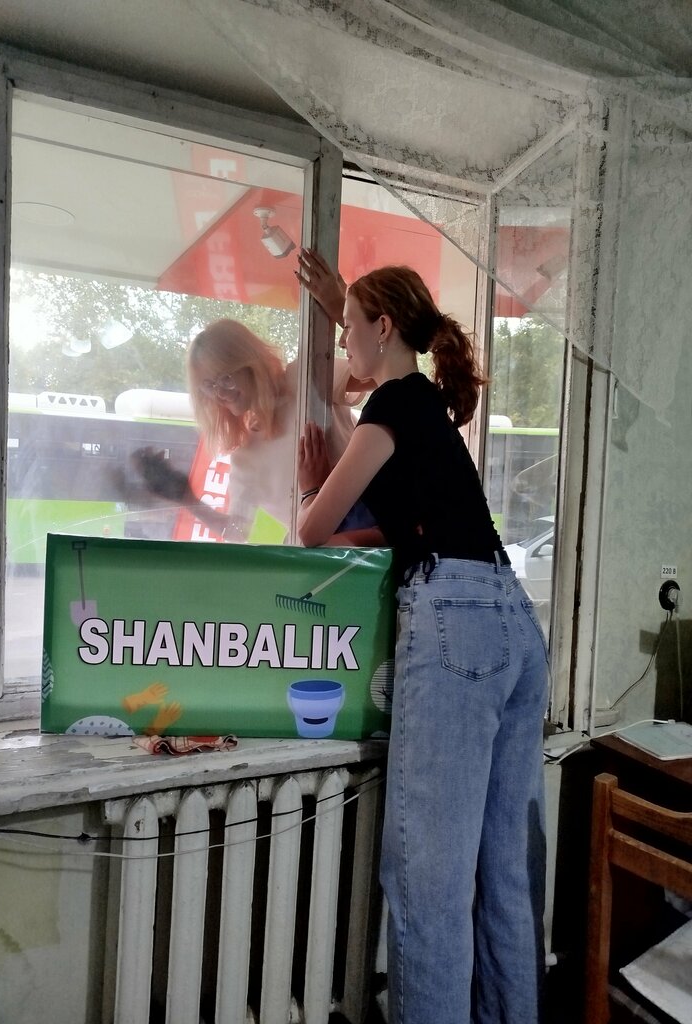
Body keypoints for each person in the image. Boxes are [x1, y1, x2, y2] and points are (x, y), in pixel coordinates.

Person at [296, 265, 549, 1024]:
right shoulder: (432, 410)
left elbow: (312, 531)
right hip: (513, 619)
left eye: (350, 323)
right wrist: (336, 296)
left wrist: (313, 484)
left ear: (382, 327)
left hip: (457, 626)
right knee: (501, 875)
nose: (343, 337)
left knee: (428, 890)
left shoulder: (391, 404)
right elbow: (410, 524)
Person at [134, 317, 379, 544]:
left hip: (377, 526)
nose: (220, 393)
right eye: (209, 386)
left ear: (248, 363)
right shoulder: (245, 455)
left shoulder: (303, 377)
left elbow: (377, 375)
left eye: (225, 378)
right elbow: (237, 531)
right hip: (332, 555)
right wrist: (187, 499)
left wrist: (347, 315)